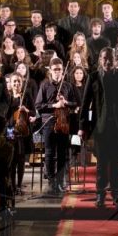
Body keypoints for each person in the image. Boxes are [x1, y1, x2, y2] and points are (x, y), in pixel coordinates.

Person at [79, 47, 118, 208]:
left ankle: (116, 194)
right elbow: (85, 103)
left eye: (110, 58)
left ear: (115, 59)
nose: (107, 61)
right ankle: (100, 194)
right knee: (101, 163)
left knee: (116, 162)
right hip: (100, 127)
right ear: (100, 59)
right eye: (104, 58)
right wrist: (82, 127)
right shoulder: (93, 77)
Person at [35, 57, 77, 195]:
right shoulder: (44, 85)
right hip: (49, 122)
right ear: (50, 71)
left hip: (64, 123)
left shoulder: (67, 86)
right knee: (49, 153)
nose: (58, 72)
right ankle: (51, 182)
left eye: (60, 69)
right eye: (55, 70)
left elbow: (75, 104)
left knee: (62, 154)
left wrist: (66, 102)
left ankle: (60, 182)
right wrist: (54, 105)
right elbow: (39, 106)